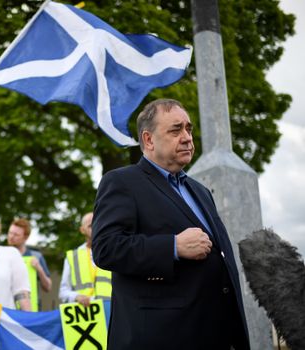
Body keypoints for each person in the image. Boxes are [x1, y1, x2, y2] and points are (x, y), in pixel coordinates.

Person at [92, 98, 250, 350]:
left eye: (189, 128)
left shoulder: (200, 191)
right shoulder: (122, 182)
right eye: (176, 130)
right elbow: (106, 248)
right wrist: (173, 246)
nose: (187, 137)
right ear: (149, 140)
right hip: (162, 338)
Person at [59, 212, 111, 306]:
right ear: (82, 230)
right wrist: (77, 296)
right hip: (85, 315)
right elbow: (63, 292)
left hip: (110, 312)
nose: (96, 228)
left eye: (98, 224)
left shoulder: (112, 252)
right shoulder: (72, 257)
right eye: (91, 226)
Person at [7, 218, 52, 311]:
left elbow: (48, 287)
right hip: (8, 309)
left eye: (16, 235)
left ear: (26, 237)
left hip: (31, 311)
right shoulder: (1, 255)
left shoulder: (36, 256)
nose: (11, 237)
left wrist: (39, 269)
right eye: (10, 233)